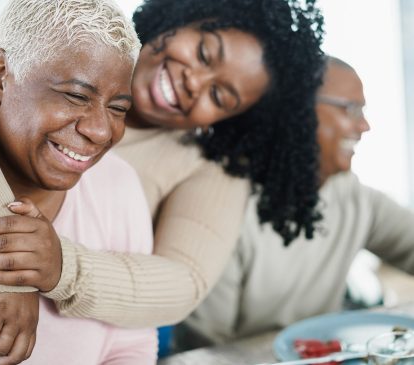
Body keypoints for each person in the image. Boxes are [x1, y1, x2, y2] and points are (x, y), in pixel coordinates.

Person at [0, 0, 325, 360]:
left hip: (104, 325)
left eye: (218, 96)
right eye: (203, 52)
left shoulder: (179, 172)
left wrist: (59, 265)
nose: (194, 81)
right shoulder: (77, 31)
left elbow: (183, 284)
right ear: (182, 17)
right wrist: (8, 274)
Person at [174, 56, 414, 349]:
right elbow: (205, 348)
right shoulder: (223, 205)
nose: (364, 126)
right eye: (351, 109)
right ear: (294, 112)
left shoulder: (351, 194)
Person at [0, 0, 160, 364]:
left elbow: (130, 345)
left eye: (118, 108)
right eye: (75, 96)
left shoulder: (118, 186)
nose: (101, 131)